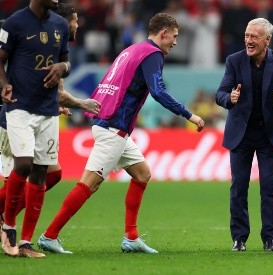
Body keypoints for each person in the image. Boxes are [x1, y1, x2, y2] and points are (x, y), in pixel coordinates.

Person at [37, 12, 205, 255]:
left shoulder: (133, 50)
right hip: (114, 127)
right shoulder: (153, 54)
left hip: (111, 123)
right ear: (163, 33)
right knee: (90, 183)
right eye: (175, 36)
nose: (175, 42)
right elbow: (158, 92)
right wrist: (189, 115)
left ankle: (131, 237)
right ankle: (49, 235)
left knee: (142, 173)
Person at [0, 3, 101, 242]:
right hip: (13, 117)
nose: (77, 25)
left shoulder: (55, 42)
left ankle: (11, 225)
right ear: (65, 21)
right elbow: (57, 91)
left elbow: (53, 85)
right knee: (20, 171)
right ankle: (8, 225)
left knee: (50, 175)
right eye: (75, 20)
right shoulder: (27, 27)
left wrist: (57, 97)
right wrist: (84, 104)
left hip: (40, 113)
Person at [215, 18, 273, 252]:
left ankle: (270, 239)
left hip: (269, 134)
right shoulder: (234, 60)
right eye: (246, 35)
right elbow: (220, 93)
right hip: (240, 134)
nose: (248, 40)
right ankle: (239, 238)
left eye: (253, 37)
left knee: (269, 188)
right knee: (239, 187)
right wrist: (228, 99)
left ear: (267, 40)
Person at [0, 0, 72, 258]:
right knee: (23, 165)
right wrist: (3, 84)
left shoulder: (60, 24)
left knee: (41, 173)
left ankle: (27, 242)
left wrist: (62, 67)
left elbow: (67, 62)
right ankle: (8, 229)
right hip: (19, 106)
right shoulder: (14, 22)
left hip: (48, 109)